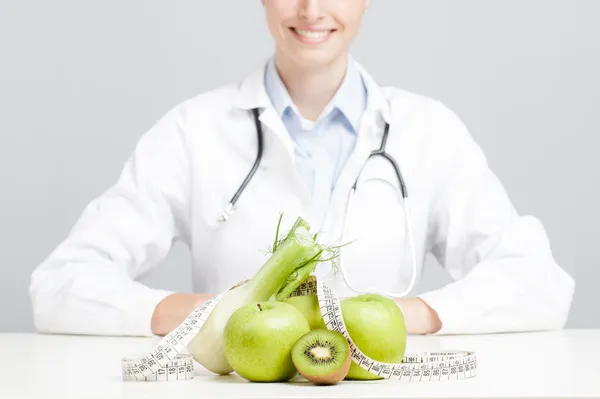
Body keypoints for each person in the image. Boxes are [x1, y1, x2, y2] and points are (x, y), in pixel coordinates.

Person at [29, 0, 575, 338]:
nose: (311, 9)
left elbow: (539, 284)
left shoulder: (429, 131)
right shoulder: (192, 131)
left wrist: (385, 317)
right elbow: (60, 287)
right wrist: (219, 316)